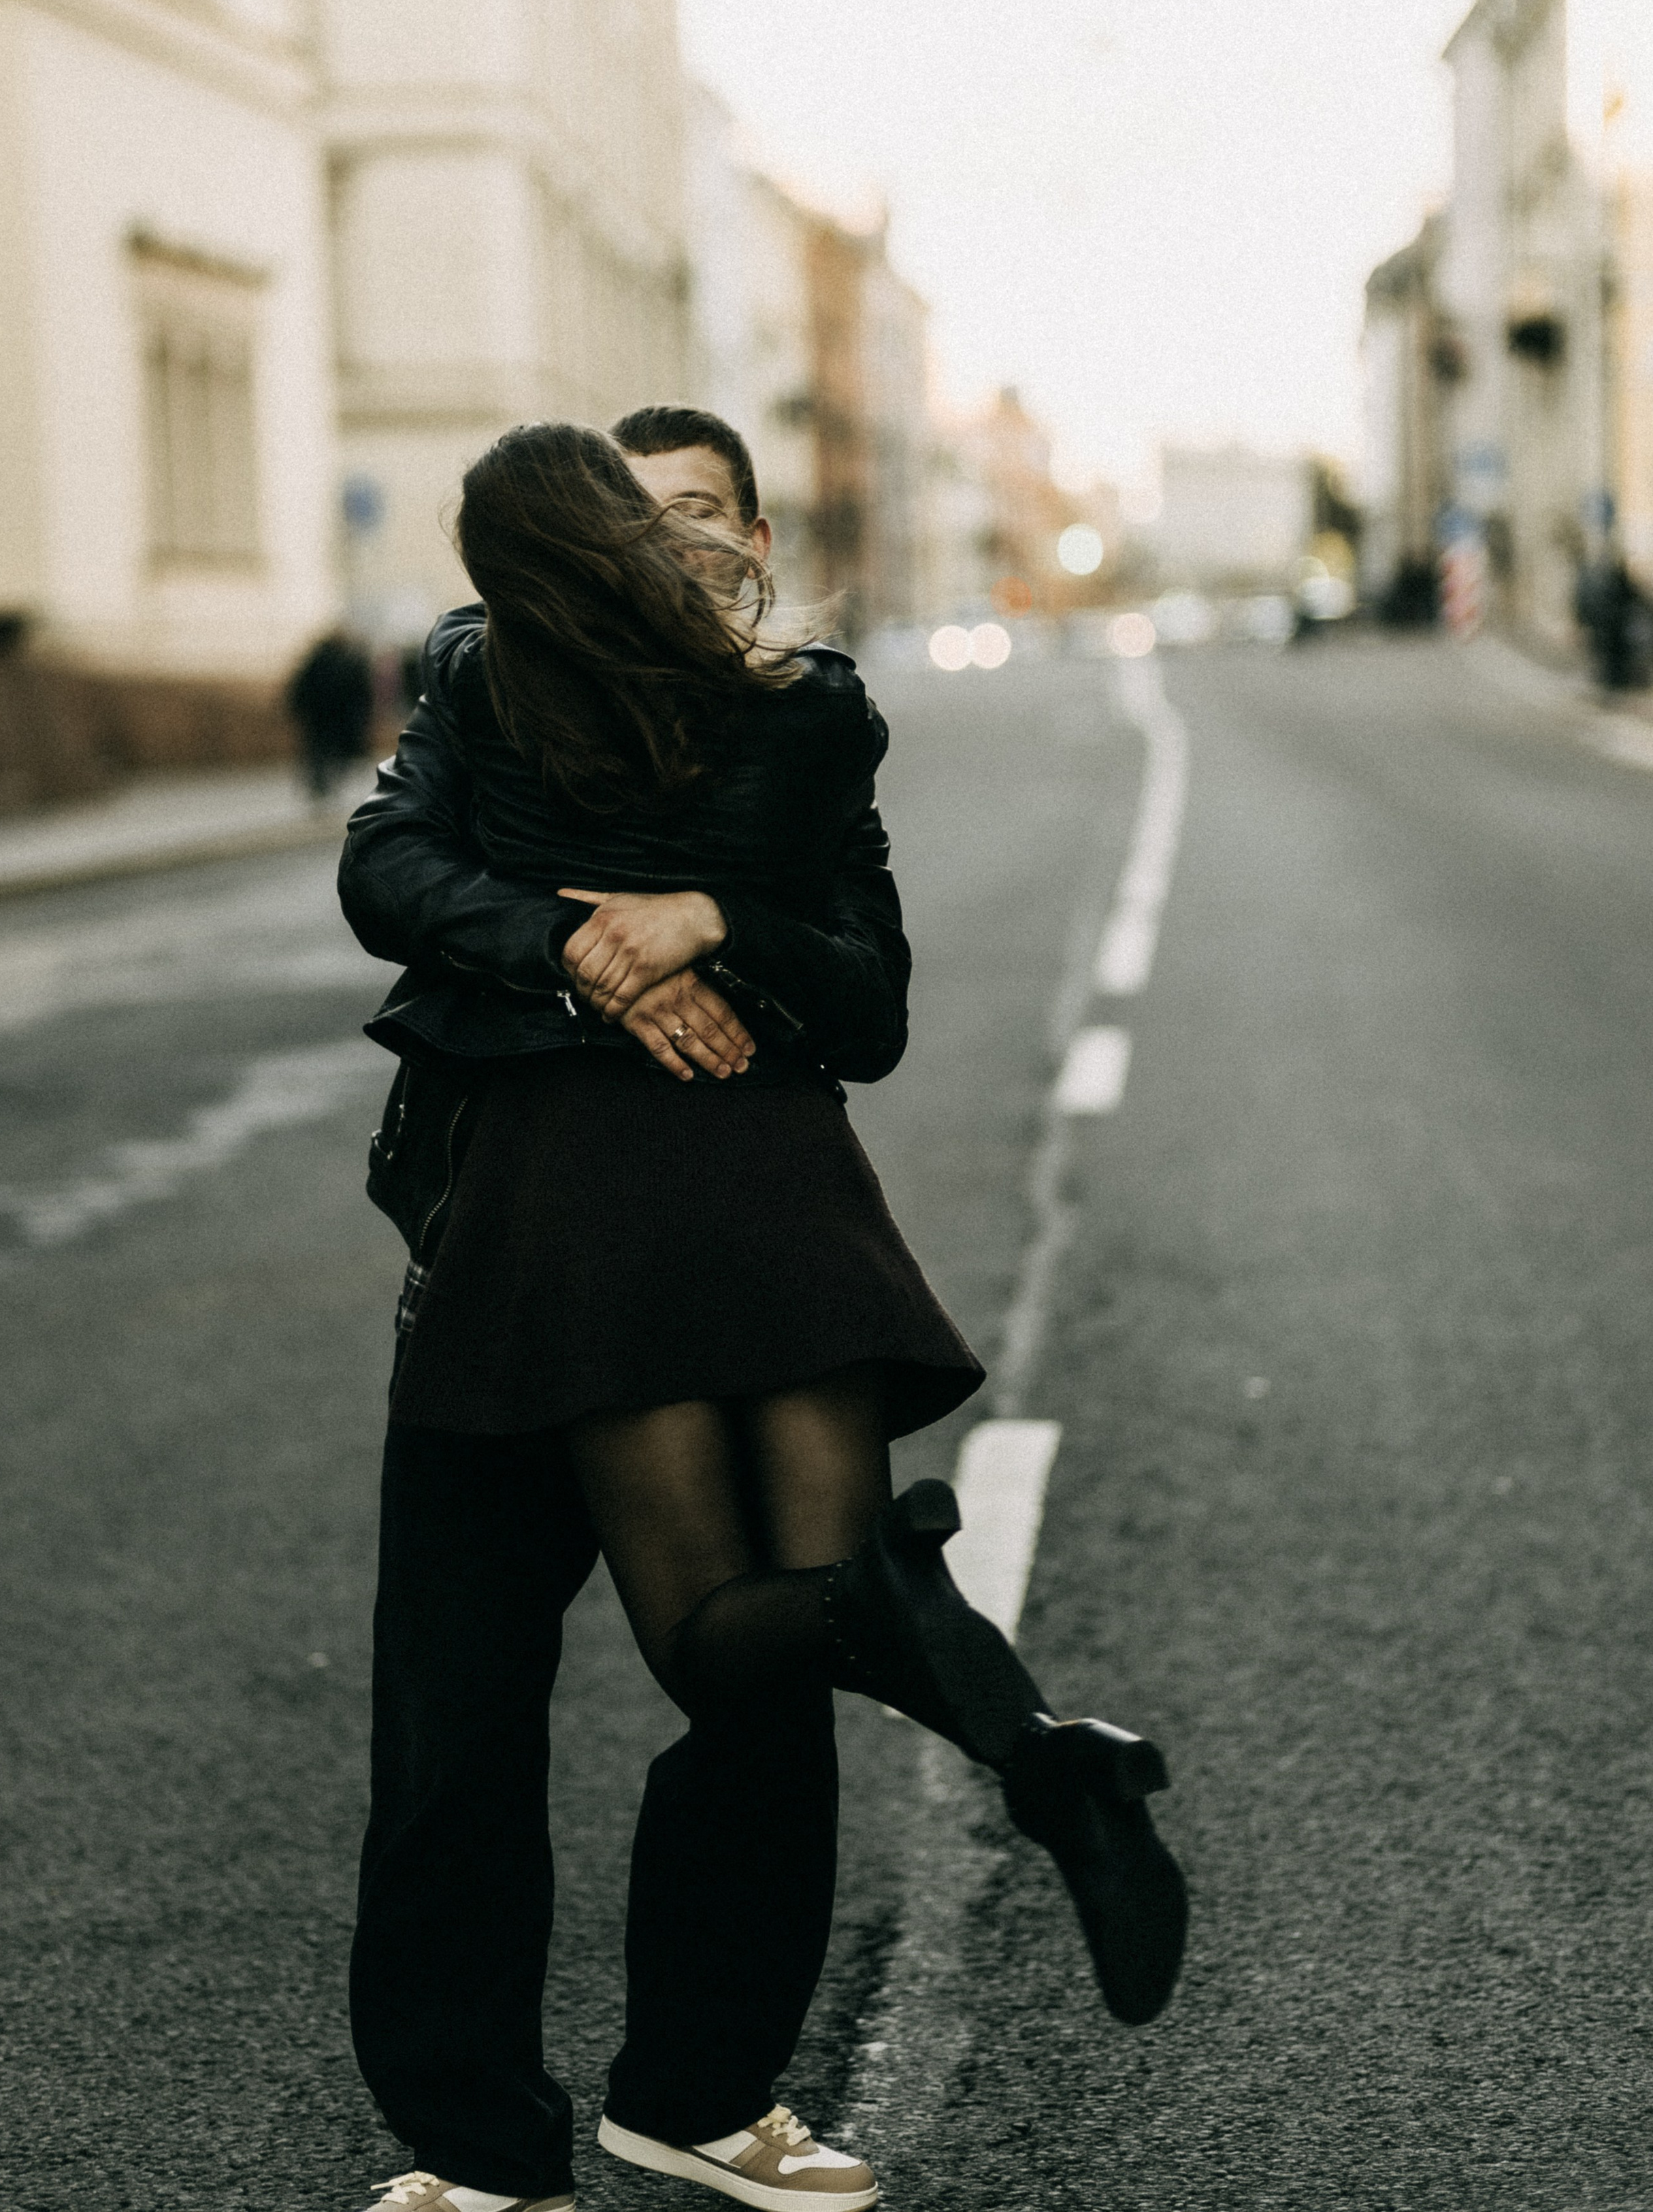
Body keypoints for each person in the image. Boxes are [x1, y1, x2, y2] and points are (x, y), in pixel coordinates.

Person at [338, 408, 1187, 2212]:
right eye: (637, 518)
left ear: (750, 524)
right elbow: (389, 870)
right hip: (516, 1243)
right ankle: (478, 2149)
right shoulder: (491, 678)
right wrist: (590, 958)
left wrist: (705, 916)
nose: (673, 543)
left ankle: (703, 2097)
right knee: (455, 1725)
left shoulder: (789, 707)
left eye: (703, 509)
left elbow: (865, 993)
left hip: (712, 1228)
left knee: (746, 1700)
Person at [287, 627, 375, 802]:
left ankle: (321, 784)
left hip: (320, 715)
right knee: (333, 751)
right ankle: (326, 784)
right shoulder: (347, 661)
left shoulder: (317, 659)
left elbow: (300, 686)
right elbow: (361, 693)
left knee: (319, 750)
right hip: (335, 716)